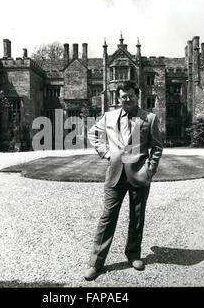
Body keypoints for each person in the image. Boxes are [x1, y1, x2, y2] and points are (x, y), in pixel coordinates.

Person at [84, 81, 163, 281]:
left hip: (139, 174)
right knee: (107, 217)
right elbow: (93, 133)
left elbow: (157, 147)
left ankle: (133, 255)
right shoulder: (109, 116)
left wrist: (150, 170)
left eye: (130, 96)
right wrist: (106, 152)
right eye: (123, 96)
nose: (127, 99)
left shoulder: (150, 118)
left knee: (137, 218)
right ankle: (96, 263)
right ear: (118, 98)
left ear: (137, 96)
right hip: (115, 174)